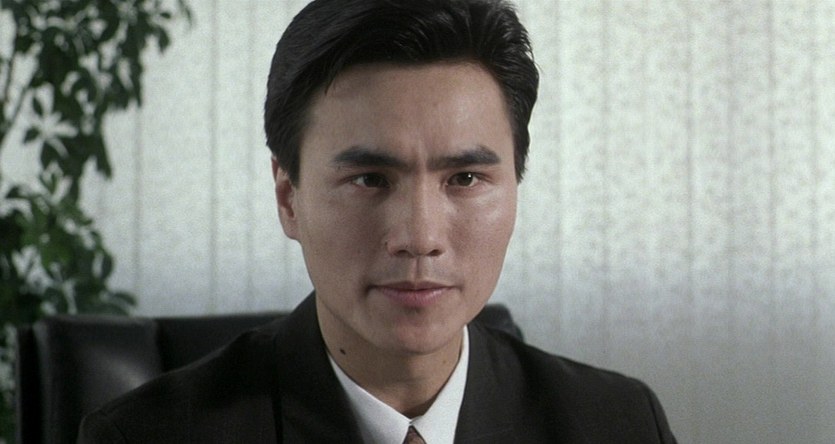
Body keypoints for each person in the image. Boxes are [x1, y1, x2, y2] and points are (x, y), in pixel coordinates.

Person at [79, 0, 677, 442]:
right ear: (288, 197)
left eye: (465, 179)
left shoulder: (617, 424)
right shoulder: (145, 435)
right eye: (369, 179)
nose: (420, 238)